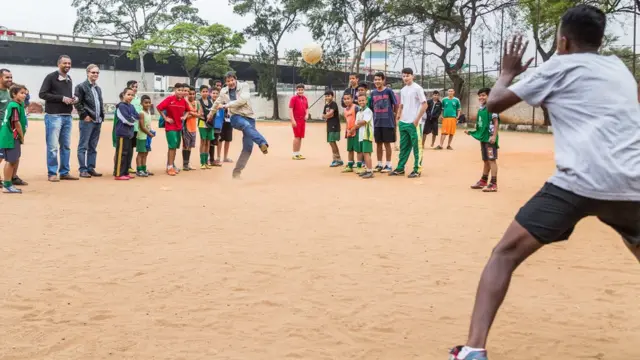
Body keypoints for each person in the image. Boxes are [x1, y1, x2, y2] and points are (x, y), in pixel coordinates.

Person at [448, 6, 640, 360]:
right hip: (633, 183)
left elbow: (494, 105)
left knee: (504, 254)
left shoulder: (559, 65)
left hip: (577, 183)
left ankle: (473, 350)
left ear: (563, 42)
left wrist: (506, 73)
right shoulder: (618, 67)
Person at [213, 71, 269, 179]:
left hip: (249, 116)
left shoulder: (244, 86)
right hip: (235, 117)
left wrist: (226, 105)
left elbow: (242, 100)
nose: (230, 82)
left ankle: (237, 172)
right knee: (246, 125)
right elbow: (216, 103)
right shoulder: (223, 91)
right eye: (228, 81)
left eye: (232, 80)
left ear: (236, 79)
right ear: (226, 82)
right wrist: (211, 113)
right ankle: (262, 143)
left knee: (248, 147)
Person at [39, 55, 79, 182]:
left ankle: (64, 172)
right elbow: (42, 94)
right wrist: (61, 98)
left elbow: (66, 95)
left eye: (69, 63)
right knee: (52, 147)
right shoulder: (51, 77)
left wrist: (73, 99)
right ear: (58, 64)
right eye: (65, 63)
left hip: (67, 116)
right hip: (53, 116)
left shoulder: (69, 78)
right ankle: (52, 173)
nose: (67, 65)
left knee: (66, 146)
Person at [390, 68, 427, 178]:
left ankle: (417, 169)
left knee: (417, 147)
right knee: (403, 147)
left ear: (412, 76)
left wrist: (416, 120)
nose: (405, 78)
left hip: (413, 123)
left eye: (407, 75)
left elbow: (424, 105)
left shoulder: (417, 88)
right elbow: (401, 104)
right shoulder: (403, 90)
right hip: (403, 122)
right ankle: (400, 168)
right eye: (404, 76)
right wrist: (398, 114)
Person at [465, 88, 500, 193]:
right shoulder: (482, 109)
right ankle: (483, 181)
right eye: (480, 95)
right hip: (484, 138)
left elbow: (496, 122)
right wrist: (472, 132)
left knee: (491, 160)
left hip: (490, 139)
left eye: (483, 95)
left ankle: (493, 184)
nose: (481, 97)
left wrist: (493, 136)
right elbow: (481, 124)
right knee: (486, 160)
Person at [74, 64, 105, 178]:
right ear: (87, 73)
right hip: (87, 120)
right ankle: (83, 169)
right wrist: (84, 115)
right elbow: (77, 102)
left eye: (97, 73)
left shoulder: (98, 88)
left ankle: (91, 168)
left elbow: (99, 103)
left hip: (97, 120)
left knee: (93, 146)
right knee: (83, 145)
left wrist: (101, 116)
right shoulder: (81, 87)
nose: (95, 74)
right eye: (93, 72)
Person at [156, 83, 191, 176]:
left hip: (179, 127)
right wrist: (165, 118)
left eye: (182, 90)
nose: (180, 92)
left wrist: (184, 116)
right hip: (170, 127)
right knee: (172, 147)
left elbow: (188, 110)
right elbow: (159, 107)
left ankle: (171, 165)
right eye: (178, 90)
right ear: (175, 90)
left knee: (174, 147)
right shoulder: (169, 99)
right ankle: (170, 167)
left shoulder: (183, 101)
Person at [0, 84, 27, 193]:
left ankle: (8, 183)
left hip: (11, 137)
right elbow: (16, 123)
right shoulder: (14, 105)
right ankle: (7, 184)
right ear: (14, 94)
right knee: (10, 161)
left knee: (14, 159)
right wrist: (21, 136)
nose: (24, 95)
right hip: (11, 137)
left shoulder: (17, 104)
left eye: (25, 93)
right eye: (21, 93)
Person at [370, 72, 398, 173]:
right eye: (375, 80)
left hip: (388, 122)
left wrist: (395, 114)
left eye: (379, 79)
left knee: (387, 144)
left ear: (383, 80)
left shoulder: (389, 91)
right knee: (378, 144)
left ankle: (389, 165)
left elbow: (396, 103)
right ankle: (379, 164)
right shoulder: (373, 93)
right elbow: (371, 107)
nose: (377, 81)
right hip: (377, 122)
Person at [114, 88, 137, 180]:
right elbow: (126, 119)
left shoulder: (131, 106)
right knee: (121, 154)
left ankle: (125, 172)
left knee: (128, 153)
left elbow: (136, 116)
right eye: (128, 94)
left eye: (132, 95)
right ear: (123, 95)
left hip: (129, 133)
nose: (130, 97)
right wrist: (132, 119)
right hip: (122, 133)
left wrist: (132, 118)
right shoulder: (121, 106)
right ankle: (118, 173)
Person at [354, 94, 374, 179]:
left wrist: (359, 122)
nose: (361, 102)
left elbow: (364, 122)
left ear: (366, 101)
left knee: (366, 153)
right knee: (364, 153)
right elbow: (357, 123)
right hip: (361, 135)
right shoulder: (359, 112)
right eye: (360, 101)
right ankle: (367, 170)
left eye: (363, 100)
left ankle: (370, 171)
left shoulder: (368, 111)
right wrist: (359, 122)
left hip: (367, 135)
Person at [135, 95, 155, 177]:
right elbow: (142, 126)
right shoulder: (141, 113)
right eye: (146, 103)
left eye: (149, 103)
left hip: (148, 136)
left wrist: (151, 132)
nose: (148, 104)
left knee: (146, 153)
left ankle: (144, 168)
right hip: (142, 136)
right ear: (141, 103)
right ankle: (139, 170)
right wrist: (149, 133)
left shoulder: (149, 112)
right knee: (141, 153)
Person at [322, 90, 342, 166]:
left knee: (332, 141)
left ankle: (337, 159)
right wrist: (327, 115)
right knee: (331, 142)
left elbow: (331, 113)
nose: (327, 97)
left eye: (329, 96)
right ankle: (337, 159)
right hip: (329, 125)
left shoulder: (334, 104)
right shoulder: (326, 106)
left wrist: (327, 115)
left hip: (334, 125)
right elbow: (323, 115)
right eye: (326, 96)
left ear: (332, 96)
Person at [182, 86, 199, 171]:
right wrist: (193, 113)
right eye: (190, 94)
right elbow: (184, 116)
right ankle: (185, 164)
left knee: (190, 147)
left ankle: (188, 163)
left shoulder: (196, 103)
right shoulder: (185, 102)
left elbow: (200, 114)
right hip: (186, 127)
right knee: (185, 146)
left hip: (193, 127)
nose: (191, 95)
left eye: (193, 94)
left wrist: (191, 113)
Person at [289, 83, 308, 160]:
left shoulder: (305, 98)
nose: (300, 91)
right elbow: (290, 110)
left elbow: (307, 108)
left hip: (303, 120)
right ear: (296, 90)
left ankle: (298, 153)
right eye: (299, 90)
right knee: (296, 136)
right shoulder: (293, 98)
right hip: (296, 119)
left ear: (304, 90)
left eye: (302, 90)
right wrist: (293, 120)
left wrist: (307, 115)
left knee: (300, 137)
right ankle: (294, 154)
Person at [341, 93, 359, 173]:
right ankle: (350, 166)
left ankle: (359, 166)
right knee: (350, 149)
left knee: (358, 150)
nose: (346, 100)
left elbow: (359, 120)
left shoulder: (356, 108)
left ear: (352, 99)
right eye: (344, 99)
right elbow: (347, 122)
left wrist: (353, 129)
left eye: (348, 98)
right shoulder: (345, 110)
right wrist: (347, 131)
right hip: (349, 132)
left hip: (357, 131)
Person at [198, 85, 216, 169]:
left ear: (208, 92)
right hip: (202, 124)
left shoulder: (211, 101)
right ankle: (202, 162)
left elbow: (213, 112)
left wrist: (210, 115)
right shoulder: (198, 102)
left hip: (210, 124)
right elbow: (200, 113)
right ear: (200, 92)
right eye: (203, 91)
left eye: (206, 91)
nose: (205, 93)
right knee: (203, 142)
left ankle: (206, 162)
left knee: (208, 142)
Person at [127, 80, 142, 174]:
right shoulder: (127, 98)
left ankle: (130, 166)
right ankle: (125, 166)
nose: (135, 88)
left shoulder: (138, 98)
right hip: (128, 127)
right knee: (126, 147)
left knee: (132, 147)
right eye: (133, 87)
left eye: (136, 87)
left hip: (136, 127)